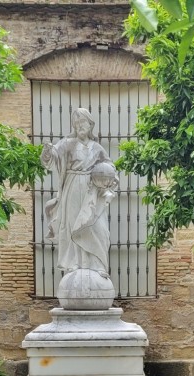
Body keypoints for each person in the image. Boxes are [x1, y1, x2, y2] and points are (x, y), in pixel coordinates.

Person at [41, 108, 119, 278]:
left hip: (92, 190)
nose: (79, 126)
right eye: (76, 123)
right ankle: (75, 263)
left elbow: (110, 167)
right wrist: (47, 152)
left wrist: (108, 178)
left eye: (82, 122)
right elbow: (52, 157)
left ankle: (98, 264)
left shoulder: (97, 148)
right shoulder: (67, 144)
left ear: (90, 125)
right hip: (72, 187)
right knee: (72, 225)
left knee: (97, 227)